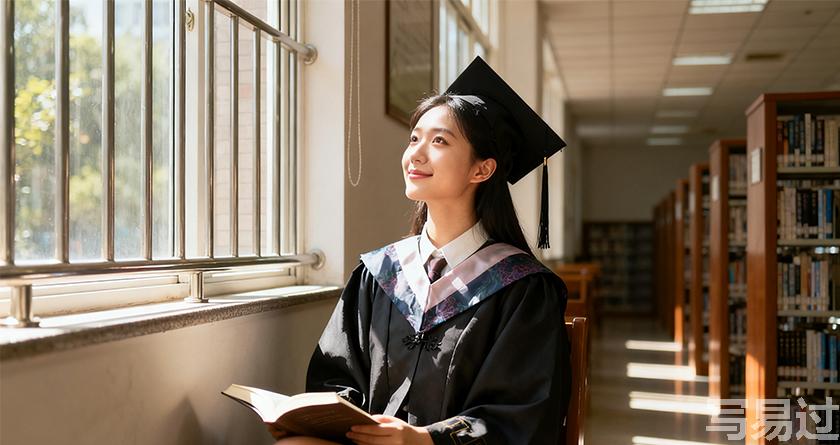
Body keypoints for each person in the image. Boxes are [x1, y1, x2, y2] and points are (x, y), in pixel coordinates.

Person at [272, 56, 571, 445]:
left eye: (439, 141)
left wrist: (425, 439)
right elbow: (335, 377)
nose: (415, 153)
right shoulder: (381, 273)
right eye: (414, 138)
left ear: (482, 170)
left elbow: (523, 416)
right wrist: (322, 419)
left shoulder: (522, 289)